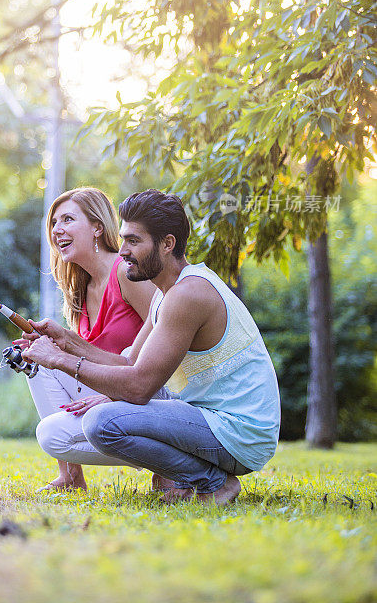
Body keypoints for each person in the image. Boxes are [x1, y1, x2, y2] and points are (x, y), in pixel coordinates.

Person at [21, 189, 281, 505]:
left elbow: (140, 387)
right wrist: (68, 341)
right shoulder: (165, 292)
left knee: (102, 424)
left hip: (239, 432)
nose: (124, 250)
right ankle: (194, 478)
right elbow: (129, 362)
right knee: (96, 420)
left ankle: (211, 482)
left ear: (167, 244)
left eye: (134, 241)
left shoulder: (188, 294)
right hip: (210, 417)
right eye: (124, 239)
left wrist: (59, 360)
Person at [14, 187, 156, 491]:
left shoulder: (126, 273)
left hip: (148, 400)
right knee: (37, 363)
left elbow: (166, 334)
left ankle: (167, 468)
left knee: (51, 427)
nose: (57, 230)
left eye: (67, 219)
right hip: (112, 399)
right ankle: (70, 477)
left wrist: (115, 394)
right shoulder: (81, 286)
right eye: (54, 222)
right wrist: (46, 349)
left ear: (97, 228)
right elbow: (87, 358)